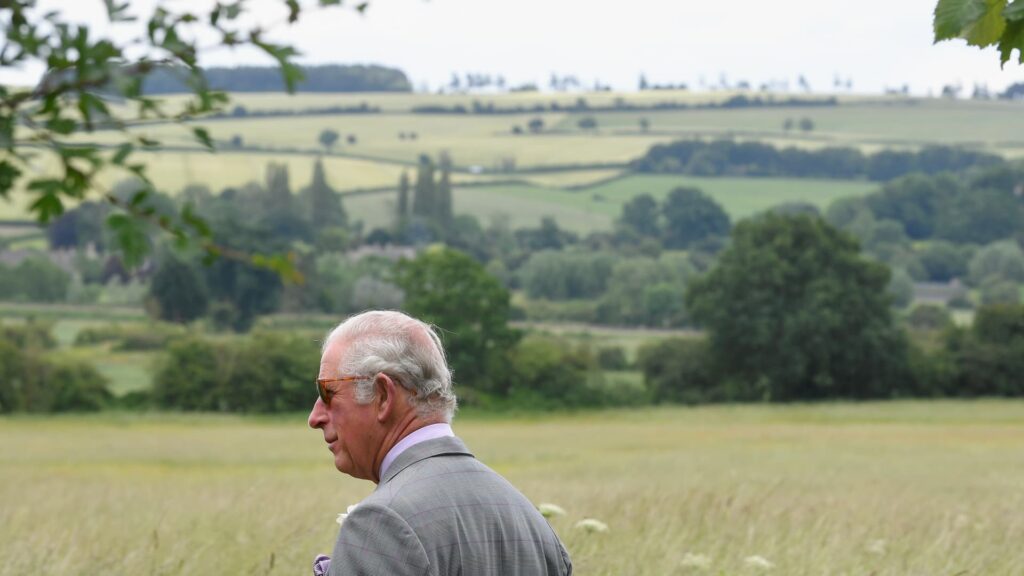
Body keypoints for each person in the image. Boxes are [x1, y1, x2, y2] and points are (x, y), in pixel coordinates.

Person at [308, 310, 573, 576]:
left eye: (328, 392)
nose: (315, 417)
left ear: (383, 396)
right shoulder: (533, 524)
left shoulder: (381, 523)